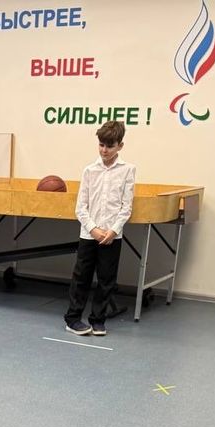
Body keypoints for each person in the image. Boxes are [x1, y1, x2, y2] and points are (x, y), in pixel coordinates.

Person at [64, 120, 136, 336]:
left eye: (110, 146)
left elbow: (126, 207)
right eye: (101, 145)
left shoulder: (128, 170)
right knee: (81, 277)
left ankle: (98, 320)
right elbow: (80, 207)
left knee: (106, 279)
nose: (104, 150)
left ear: (120, 146)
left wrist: (113, 230)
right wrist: (93, 229)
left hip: (112, 236)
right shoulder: (89, 171)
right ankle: (73, 319)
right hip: (89, 234)